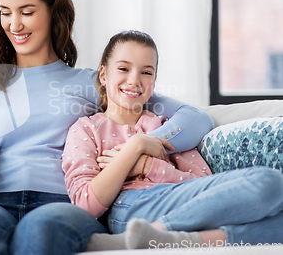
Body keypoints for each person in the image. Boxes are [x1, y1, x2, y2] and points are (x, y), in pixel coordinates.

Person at [0, 0, 214, 255]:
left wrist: (147, 143)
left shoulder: (93, 83)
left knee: (41, 230)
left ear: (54, 12)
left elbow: (194, 117)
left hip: (62, 205)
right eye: (5, 12)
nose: (15, 24)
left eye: (27, 11)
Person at [65, 30, 283, 250]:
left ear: (154, 81)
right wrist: (135, 147)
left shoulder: (166, 126)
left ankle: (167, 238)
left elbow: (201, 182)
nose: (134, 80)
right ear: (103, 75)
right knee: (270, 181)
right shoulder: (86, 128)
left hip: (182, 202)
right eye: (123, 69)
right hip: (131, 205)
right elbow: (85, 205)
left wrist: (148, 166)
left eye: (146, 72)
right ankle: (159, 231)